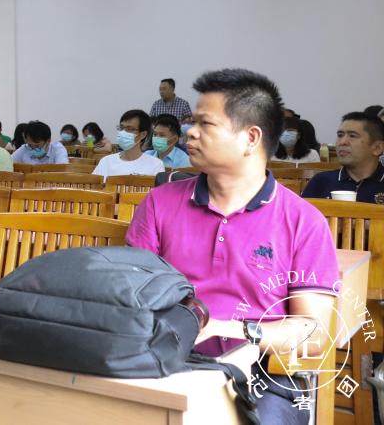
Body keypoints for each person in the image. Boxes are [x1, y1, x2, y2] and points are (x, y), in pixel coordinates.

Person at [127, 68, 338, 424]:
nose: (190, 132)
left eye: (205, 124)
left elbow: (314, 333)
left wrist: (231, 329)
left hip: (262, 374)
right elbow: (132, 293)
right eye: (192, 122)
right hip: (164, 359)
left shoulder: (303, 221)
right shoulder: (159, 203)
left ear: (250, 137)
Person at [302, 112, 384, 203]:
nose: (342, 142)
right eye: (340, 135)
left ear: (377, 148)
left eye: (352, 136)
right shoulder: (321, 181)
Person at [92, 110, 164, 179]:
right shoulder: (106, 161)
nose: (123, 132)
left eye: (129, 129)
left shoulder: (155, 165)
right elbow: (94, 186)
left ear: (143, 134)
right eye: (121, 128)